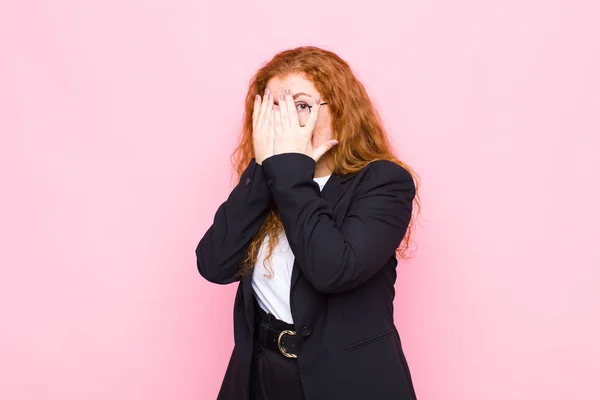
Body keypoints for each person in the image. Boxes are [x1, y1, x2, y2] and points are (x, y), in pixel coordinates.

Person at [196, 46, 420, 400]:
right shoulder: (264, 184)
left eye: (302, 105)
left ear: (341, 110)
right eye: (273, 108)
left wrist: (289, 172)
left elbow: (333, 269)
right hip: (261, 377)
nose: (287, 121)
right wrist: (264, 166)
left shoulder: (384, 181)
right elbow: (214, 264)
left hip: (347, 382)